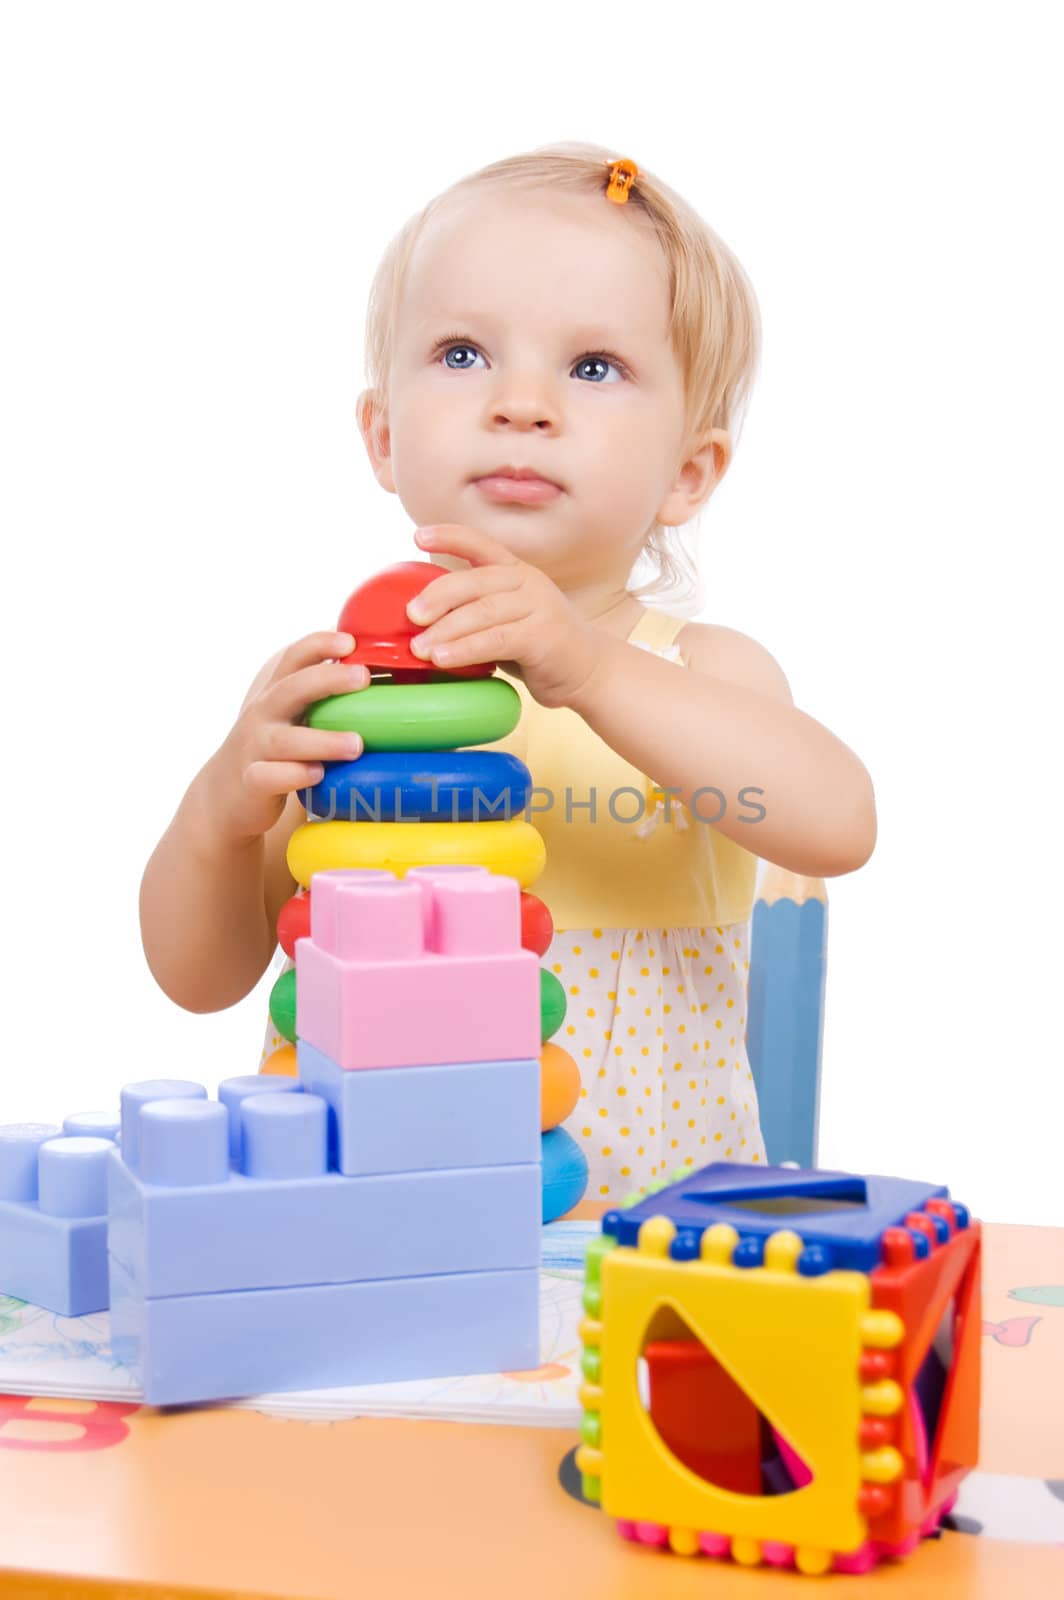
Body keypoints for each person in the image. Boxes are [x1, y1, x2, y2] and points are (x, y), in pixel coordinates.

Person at [141, 141, 876, 1202]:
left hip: (639, 1243)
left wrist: (586, 665)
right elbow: (197, 977)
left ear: (686, 473)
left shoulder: (694, 671)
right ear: (383, 438)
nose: (520, 403)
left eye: (592, 368)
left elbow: (836, 822)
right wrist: (219, 810)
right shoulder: (338, 687)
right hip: (370, 1223)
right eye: (460, 353)